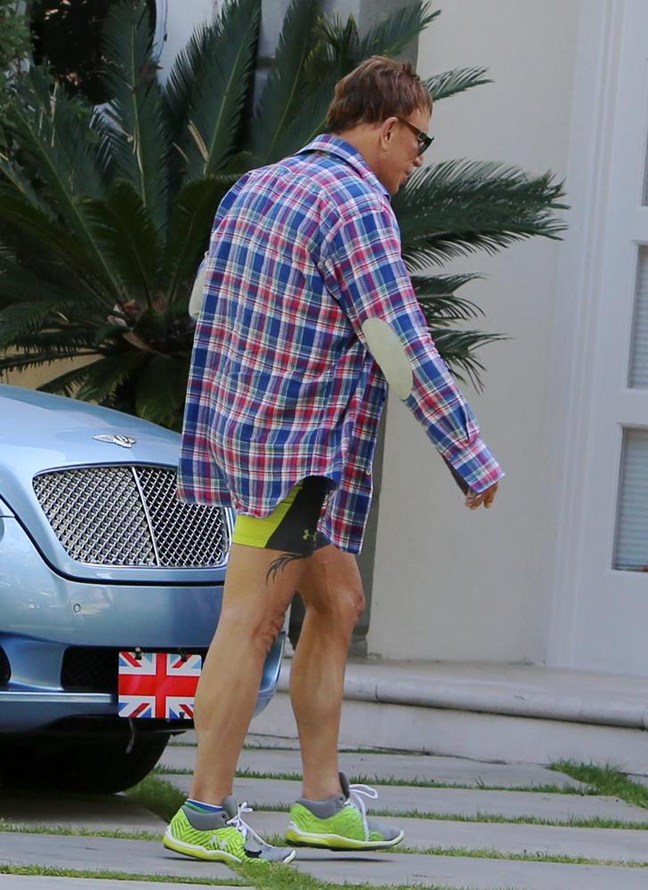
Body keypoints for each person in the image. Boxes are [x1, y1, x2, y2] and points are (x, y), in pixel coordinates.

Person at [164, 55, 504, 864]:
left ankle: (321, 802)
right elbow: (398, 342)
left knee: (340, 600)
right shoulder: (357, 204)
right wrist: (469, 454)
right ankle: (201, 814)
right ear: (386, 128)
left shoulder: (257, 186)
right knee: (251, 621)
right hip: (295, 453)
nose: (420, 159)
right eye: (420, 140)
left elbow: (205, 302)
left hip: (255, 435)